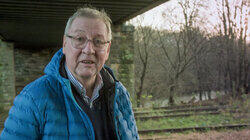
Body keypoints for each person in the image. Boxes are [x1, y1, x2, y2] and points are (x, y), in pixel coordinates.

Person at [1, 6, 139, 140]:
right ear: (65, 44)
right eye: (80, 39)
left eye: (98, 41)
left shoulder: (120, 94)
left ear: (107, 49)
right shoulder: (33, 98)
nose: (89, 50)